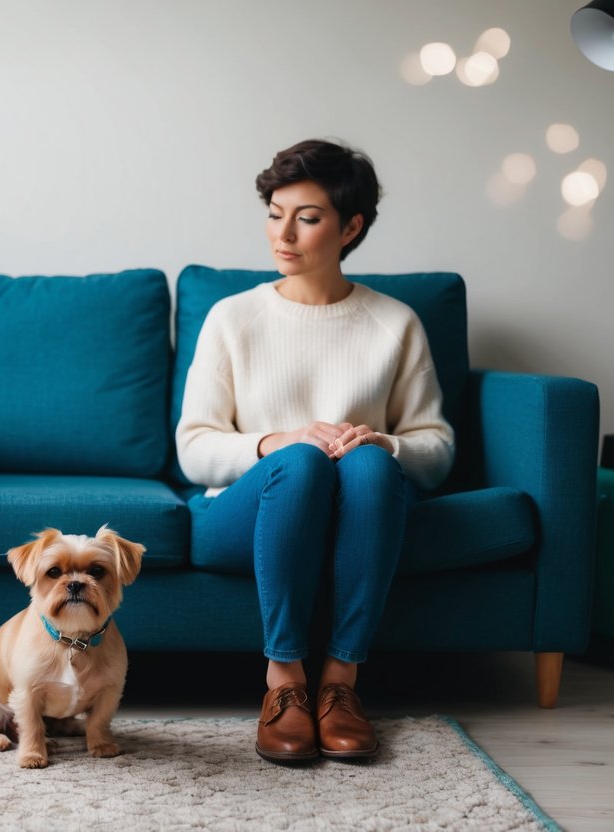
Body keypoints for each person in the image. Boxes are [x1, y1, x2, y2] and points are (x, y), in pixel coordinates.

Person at [175, 139, 454, 764]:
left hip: (358, 511)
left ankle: (340, 685)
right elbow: (193, 449)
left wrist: (383, 440)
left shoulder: (396, 323)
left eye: (306, 217)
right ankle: (284, 684)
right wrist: (276, 441)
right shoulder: (231, 318)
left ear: (350, 227)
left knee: (371, 460)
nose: (283, 234)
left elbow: (436, 452)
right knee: (301, 460)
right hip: (241, 516)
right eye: (275, 214)